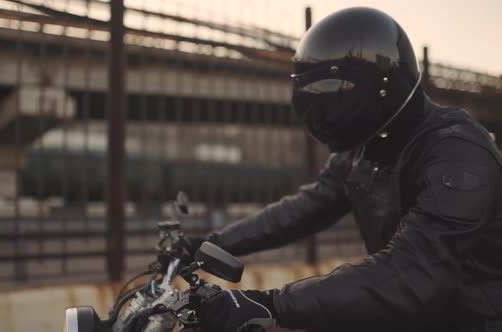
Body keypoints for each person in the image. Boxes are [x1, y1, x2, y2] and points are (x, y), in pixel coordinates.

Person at [191, 7, 502, 332]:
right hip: (421, 318)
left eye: (333, 94)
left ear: (383, 85)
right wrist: (209, 244)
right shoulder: (365, 148)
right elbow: (302, 209)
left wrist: (272, 303)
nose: (324, 113)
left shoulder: (458, 152)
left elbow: (411, 271)